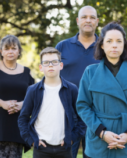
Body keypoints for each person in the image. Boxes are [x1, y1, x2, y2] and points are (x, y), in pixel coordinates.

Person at [76, 22, 127, 158]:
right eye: (109, 41)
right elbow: (83, 106)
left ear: (124, 45)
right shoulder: (90, 72)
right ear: (102, 45)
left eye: (119, 41)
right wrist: (102, 133)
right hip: (99, 140)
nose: (114, 45)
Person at [18, 47, 86, 158]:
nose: (50, 65)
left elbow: (82, 117)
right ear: (41, 67)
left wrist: (72, 138)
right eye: (46, 62)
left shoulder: (72, 89)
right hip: (41, 147)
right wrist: (32, 140)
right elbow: (23, 119)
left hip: (64, 148)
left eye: (54, 62)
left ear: (61, 65)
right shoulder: (33, 90)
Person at [55, 6, 99, 158]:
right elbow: (51, 77)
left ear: (97, 22)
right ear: (77, 20)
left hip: (96, 113)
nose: (88, 20)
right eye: (84, 17)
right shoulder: (62, 46)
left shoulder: (105, 47)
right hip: (67, 112)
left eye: (92, 17)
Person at [0, 35, 34, 158]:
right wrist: (0, 102)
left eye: (14, 48)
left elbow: (34, 97)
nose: (10, 51)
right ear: (1, 51)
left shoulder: (27, 72)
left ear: (19, 51)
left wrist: (21, 105)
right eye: (6, 48)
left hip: (18, 126)